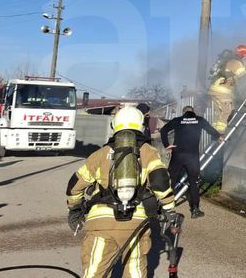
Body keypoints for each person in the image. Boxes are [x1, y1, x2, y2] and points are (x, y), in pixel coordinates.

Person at [66, 104, 176, 278]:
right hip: (136, 224)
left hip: (100, 225)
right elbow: (160, 181)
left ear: (114, 127)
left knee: (94, 272)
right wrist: (169, 209)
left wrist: (74, 208)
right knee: (134, 272)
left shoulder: (100, 154)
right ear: (141, 126)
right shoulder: (149, 152)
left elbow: (74, 185)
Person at [159, 105, 220, 219]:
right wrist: (217, 137)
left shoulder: (177, 120)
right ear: (193, 112)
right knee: (193, 182)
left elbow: (163, 130)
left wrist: (167, 145)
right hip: (192, 157)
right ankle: (195, 210)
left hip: (177, 155)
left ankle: (163, 206)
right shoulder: (199, 120)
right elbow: (212, 131)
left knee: (171, 180)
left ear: (183, 112)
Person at [208, 44, 246, 134]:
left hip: (215, 89)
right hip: (222, 91)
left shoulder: (230, 62)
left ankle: (214, 132)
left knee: (220, 112)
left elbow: (234, 74)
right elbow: (243, 76)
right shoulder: (236, 63)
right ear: (243, 55)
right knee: (227, 110)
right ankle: (220, 132)